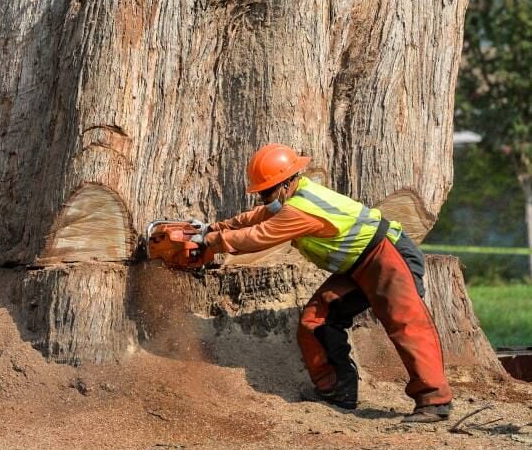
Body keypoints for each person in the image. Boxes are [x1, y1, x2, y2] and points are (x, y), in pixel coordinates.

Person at [193, 144, 453, 422]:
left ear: (287, 182)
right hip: (360, 264)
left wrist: (209, 242)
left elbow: (259, 236)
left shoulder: (301, 209)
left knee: (405, 322)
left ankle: (433, 401)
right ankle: (338, 391)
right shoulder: (295, 196)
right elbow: (258, 217)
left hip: (387, 254)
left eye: (267, 192)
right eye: (260, 192)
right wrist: (212, 228)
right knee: (316, 321)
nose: (264, 198)